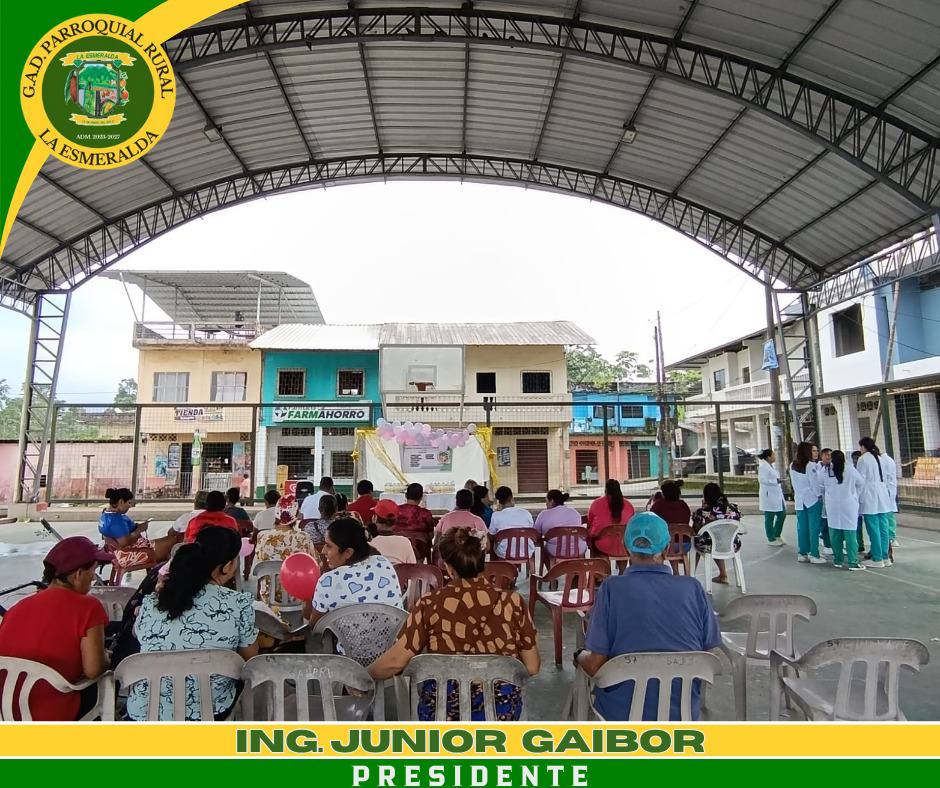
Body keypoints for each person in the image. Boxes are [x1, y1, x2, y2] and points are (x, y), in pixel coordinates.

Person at [370, 527, 539, 721]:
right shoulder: (513, 602)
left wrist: (361, 676)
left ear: (448, 567)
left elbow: (395, 662)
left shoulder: (430, 604)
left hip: (442, 714)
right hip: (500, 714)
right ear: (481, 561)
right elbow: (532, 666)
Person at [575, 512, 720, 721]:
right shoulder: (693, 588)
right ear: (667, 549)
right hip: (683, 712)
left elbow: (596, 664)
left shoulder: (611, 589)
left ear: (626, 548)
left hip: (621, 714)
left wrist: (579, 656)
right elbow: (708, 656)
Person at [127, 527, 259, 720]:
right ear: (228, 565)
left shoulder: (152, 602)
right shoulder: (238, 604)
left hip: (146, 713)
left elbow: (138, 635)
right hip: (210, 712)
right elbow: (250, 658)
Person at [0, 537, 111, 720]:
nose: (93, 577)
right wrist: (105, 658)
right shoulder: (88, 607)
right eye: (93, 570)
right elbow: (93, 670)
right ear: (78, 574)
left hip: (7, 710)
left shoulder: (17, 607)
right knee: (108, 680)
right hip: (51, 712)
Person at [304, 517, 403, 626]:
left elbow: (315, 625)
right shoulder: (383, 562)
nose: (323, 551)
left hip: (347, 638)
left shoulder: (328, 581)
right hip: (395, 636)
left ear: (348, 552)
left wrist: (307, 598)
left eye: (329, 546)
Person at [99, 487, 176, 568]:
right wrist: (140, 529)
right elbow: (124, 542)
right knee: (174, 541)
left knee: (170, 542)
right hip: (131, 553)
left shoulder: (106, 515)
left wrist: (138, 526)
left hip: (122, 551)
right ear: (121, 502)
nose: (130, 506)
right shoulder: (116, 520)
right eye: (129, 503)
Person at [818, 450, 866, 571]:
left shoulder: (826, 471)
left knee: (835, 533)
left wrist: (828, 493)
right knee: (850, 534)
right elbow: (861, 483)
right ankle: (852, 562)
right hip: (848, 504)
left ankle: (838, 560)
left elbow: (820, 486)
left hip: (832, 505)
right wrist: (855, 494)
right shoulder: (850, 469)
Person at [691, 483, 742, 585]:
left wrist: (703, 509)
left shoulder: (703, 512)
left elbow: (696, 530)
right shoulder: (733, 509)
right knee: (718, 538)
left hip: (711, 545)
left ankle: (691, 575)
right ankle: (723, 575)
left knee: (696, 541)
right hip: (732, 544)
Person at [857, 437, 893, 569]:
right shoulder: (881, 458)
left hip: (870, 495)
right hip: (882, 495)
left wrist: (857, 496)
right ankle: (885, 556)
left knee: (873, 528)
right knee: (883, 527)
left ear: (863, 447)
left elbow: (860, 480)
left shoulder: (863, 459)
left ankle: (877, 558)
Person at [789, 442, 825, 564]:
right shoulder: (810, 465)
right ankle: (814, 554)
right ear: (807, 452)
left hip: (799, 500)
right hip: (812, 500)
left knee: (802, 527)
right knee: (814, 528)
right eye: (813, 451)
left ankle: (803, 553)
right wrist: (819, 495)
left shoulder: (792, 465)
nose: (816, 453)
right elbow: (814, 484)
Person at [255, 495, 317, 563]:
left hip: (267, 570)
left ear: (276, 513)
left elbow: (257, 563)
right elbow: (315, 563)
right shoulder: (303, 537)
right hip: (294, 570)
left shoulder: (261, 536)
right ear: (296, 516)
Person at [587, 479, 636, 556]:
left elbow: (589, 522)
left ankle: (604, 563)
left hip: (601, 545)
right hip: (624, 546)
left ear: (606, 490)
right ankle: (622, 564)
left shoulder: (596, 503)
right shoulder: (629, 505)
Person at [488, 486, 535, 559]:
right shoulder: (526, 513)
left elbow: (491, 535)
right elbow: (532, 531)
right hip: (527, 551)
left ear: (499, 502)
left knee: (493, 544)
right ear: (512, 499)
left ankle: (497, 565)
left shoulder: (496, 515)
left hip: (504, 553)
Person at [534, 489, 585, 557]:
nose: (546, 504)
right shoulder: (574, 512)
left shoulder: (544, 514)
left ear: (551, 501)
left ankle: (551, 564)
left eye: (546, 501)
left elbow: (536, 534)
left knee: (546, 548)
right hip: (579, 549)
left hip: (555, 550)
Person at [368, 500, 417, 565]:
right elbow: (412, 566)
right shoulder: (405, 542)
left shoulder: (367, 542)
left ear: (375, 518)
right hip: (399, 571)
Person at [757, 449, 786, 546]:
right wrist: (775, 481)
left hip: (776, 494)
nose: (775, 456)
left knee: (782, 514)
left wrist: (777, 481)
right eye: (773, 455)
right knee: (769, 517)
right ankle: (771, 538)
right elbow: (762, 480)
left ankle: (777, 534)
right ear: (768, 457)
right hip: (769, 495)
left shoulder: (770, 466)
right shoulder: (763, 467)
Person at [880, 449, 900, 549]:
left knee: (887, 515)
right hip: (889, 489)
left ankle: (891, 537)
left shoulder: (883, 461)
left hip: (887, 490)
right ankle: (891, 537)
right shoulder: (888, 460)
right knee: (889, 514)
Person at [817, 448, 834, 557]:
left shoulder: (834, 467)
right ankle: (827, 545)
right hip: (823, 499)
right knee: (825, 523)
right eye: (826, 455)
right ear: (822, 456)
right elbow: (819, 486)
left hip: (834, 501)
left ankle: (836, 545)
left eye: (830, 455)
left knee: (836, 524)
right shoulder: (818, 469)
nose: (828, 457)